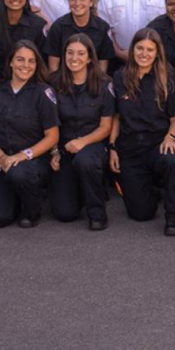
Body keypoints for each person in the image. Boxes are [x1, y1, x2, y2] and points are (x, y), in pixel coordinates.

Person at [109, 28, 175, 235]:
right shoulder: (119, 78)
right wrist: (112, 148)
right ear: (132, 50)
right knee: (141, 213)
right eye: (140, 48)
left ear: (157, 52)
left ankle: (173, 215)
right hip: (130, 148)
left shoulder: (167, 79)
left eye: (150, 50)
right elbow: (116, 117)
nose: (144, 54)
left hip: (158, 143)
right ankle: (155, 189)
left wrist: (171, 138)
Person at [0, 41, 60, 228]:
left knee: (19, 174)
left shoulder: (43, 92)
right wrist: (1, 157)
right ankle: (12, 198)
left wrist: (22, 156)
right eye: (20, 59)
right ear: (10, 62)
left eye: (31, 61)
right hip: (1, 157)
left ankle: (31, 210)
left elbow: (52, 136)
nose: (26, 65)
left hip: (32, 158)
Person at [48, 34, 115, 230]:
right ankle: (83, 190)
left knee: (85, 161)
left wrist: (82, 142)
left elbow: (106, 126)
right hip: (63, 147)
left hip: (93, 144)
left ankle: (97, 213)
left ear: (88, 58)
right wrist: (53, 152)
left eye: (80, 53)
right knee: (64, 214)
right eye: (69, 53)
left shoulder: (104, 84)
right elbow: (49, 123)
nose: (74, 58)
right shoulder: (53, 83)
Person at [44, 0, 114, 73]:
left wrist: (96, 86)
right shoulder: (58, 27)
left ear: (91, 2)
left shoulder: (102, 28)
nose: (77, 3)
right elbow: (53, 67)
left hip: (94, 82)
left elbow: (102, 67)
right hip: (64, 82)